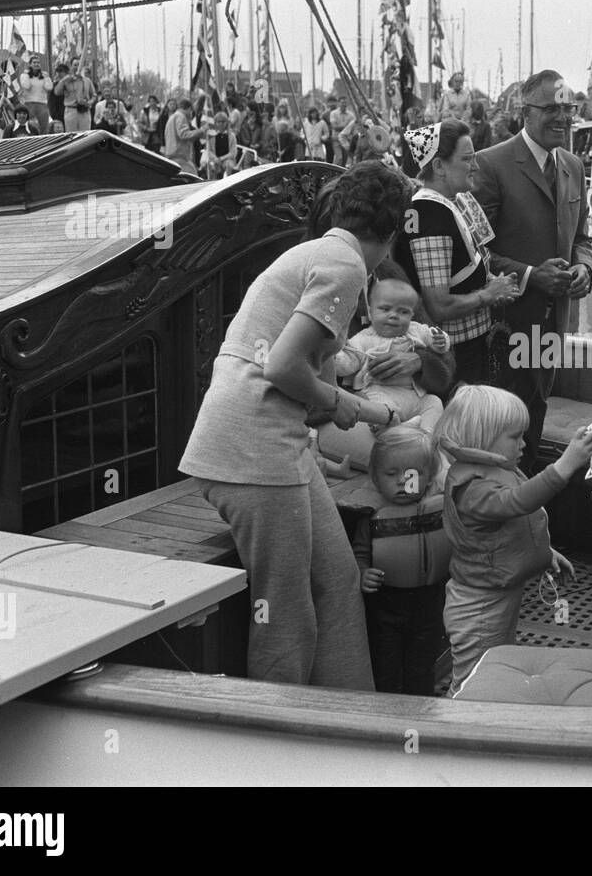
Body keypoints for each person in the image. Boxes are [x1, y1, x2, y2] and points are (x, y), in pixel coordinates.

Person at [178, 161, 413, 689]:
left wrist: (350, 388)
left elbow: (306, 383)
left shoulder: (315, 253)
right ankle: (280, 744)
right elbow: (282, 368)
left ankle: (350, 720)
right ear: (391, 233)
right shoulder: (347, 265)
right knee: (285, 613)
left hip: (269, 443)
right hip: (251, 452)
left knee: (337, 577)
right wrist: (340, 399)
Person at [436, 385, 592, 693]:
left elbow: (511, 527)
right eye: (515, 437)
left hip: (497, 594)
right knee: (474, 682)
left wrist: (545, 553)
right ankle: (454, 731)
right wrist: (565, 465)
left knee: (496, 666)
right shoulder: (472, 488)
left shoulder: (494, 470)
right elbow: (518, 502)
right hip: (479, 606)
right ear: (483, 437)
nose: (524, 444)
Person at [473, 69, 592, 473]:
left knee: (535, 416)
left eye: (568, 108)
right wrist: (528, 275)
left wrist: (583, 268)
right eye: (551, 109)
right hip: (504, 329)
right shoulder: (490, 165)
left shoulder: (573, 166)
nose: (563, 118)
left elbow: (582, 237)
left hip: (551, 325)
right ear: (526, 113)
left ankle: (527, 511)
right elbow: (476, 252)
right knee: (501, 425)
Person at [392, 121, 521, 386]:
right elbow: (437, 306)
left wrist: (492, 286)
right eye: (467, 159)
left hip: (469, 346)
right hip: (454, 353)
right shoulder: (430, 213)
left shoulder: (447, 203)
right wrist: (488, 294)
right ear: (439, 166)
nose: (475, 166)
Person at [350, 426, 452, 695]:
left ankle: (420, 715)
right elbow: (359, 554)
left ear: (429, 476)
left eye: (412, 474)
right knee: (385, 666)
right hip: (386, 607)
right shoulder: (371, 516)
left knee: (421, 668)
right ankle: (386, 719)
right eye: (391, 474)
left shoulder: (442, 510)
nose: (401, 481)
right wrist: (363, 573)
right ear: (375, 477)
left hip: (429, 605)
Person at [335, 278, 451, 433]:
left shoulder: (416, 330)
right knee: (382, 410)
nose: (394, 315)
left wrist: (442, 342)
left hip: (412, 393)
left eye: (403, 312)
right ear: (370, 312)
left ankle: (426, 435)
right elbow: (348, 364)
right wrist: (334, 354)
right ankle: (399, 431)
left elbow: (437, 341)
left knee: (433, 402)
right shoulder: (362, 339)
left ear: (412, 315)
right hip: (378, 391)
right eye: (385, 309)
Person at [164, 99, 205, 174]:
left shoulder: (172, 117)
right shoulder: (181, 116)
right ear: (189, 109)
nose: (191, 114)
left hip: (173, 154)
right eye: (191, 111)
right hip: (180, 155)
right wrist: (201, 130)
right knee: (193, 177)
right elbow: (183, 134)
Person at [17, 55, 53, 134]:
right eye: (34, 62)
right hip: (29, 103)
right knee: (30, 126)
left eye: (38, 63)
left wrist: (46, 77)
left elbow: (49, 87)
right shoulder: (24, 75)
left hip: (42, 104)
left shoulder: (44, 75)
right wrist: (27, 75)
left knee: (44, 127)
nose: (36, 64)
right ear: (30, 64)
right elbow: (27, 86)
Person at [54, 65, 96, 133]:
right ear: (71, 67)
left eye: (79, 64)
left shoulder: (87, 80)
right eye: (75, 65)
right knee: (72, 135)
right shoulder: (67, 80)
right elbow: (57, 92)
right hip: (71, 110)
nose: (77, 67)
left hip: (84, 111)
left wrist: (89, 102)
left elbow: (94, 95)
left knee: (85, 135)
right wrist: (64, 80)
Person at [203, 111, 239, 178]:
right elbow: (208, 150)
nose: (221, 124)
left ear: (226, 122)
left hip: (227, 159)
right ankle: (212, 183)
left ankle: (228, 184)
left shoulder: (231, 136)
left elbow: (233, 153)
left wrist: (221, 159)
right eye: (218, 122)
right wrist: (215, 158)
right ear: (215, 123)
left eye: (223, 122)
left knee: (229, 165)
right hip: (215, 159)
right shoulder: (211, 135)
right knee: (210, 165)